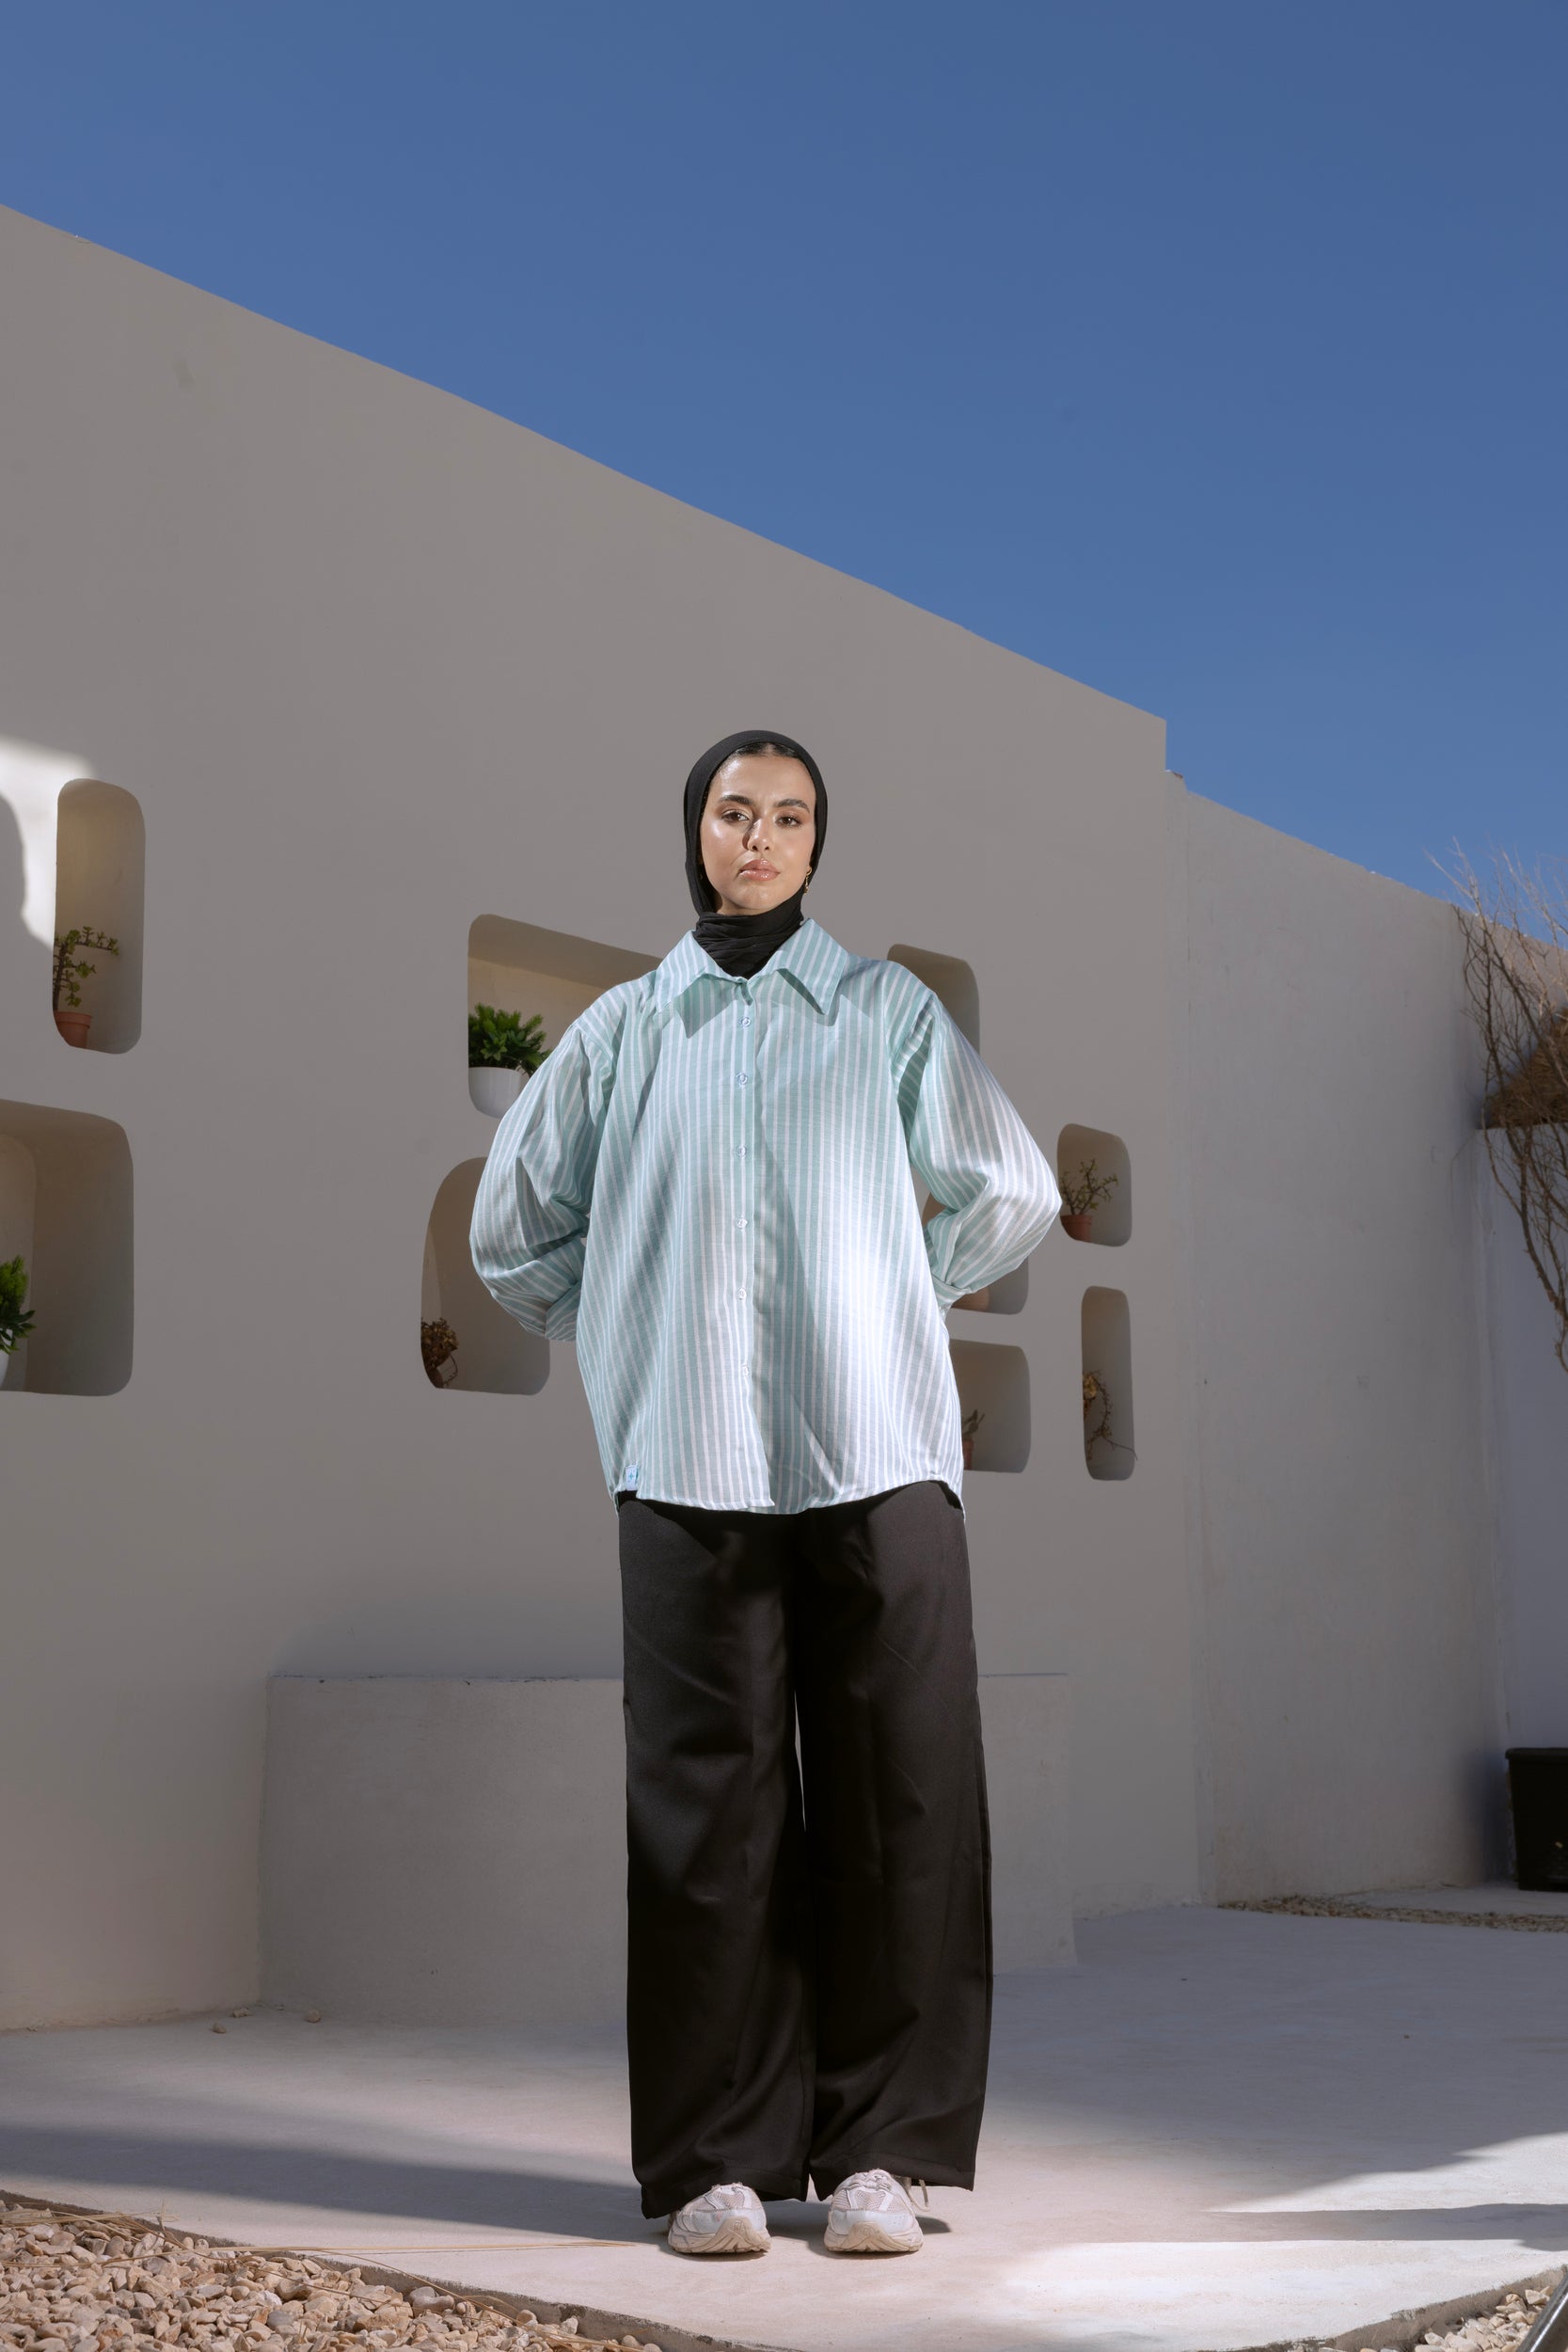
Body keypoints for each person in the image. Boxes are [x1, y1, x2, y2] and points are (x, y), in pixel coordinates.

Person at [470, 730, 1059, 2257]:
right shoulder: (622, 1031)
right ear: (695, 830)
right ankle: (715, 2166)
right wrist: (633, 1317)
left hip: (881, 1451)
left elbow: (1014, 1185)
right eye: (736, 812)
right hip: (687, 1458)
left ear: (816, 844)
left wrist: (898, 1288)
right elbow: (509, 1231)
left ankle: (884, 2157)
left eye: (790, 817)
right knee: (705, 1815)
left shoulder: (884, 1011)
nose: (760, 838)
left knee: (902, 1797)